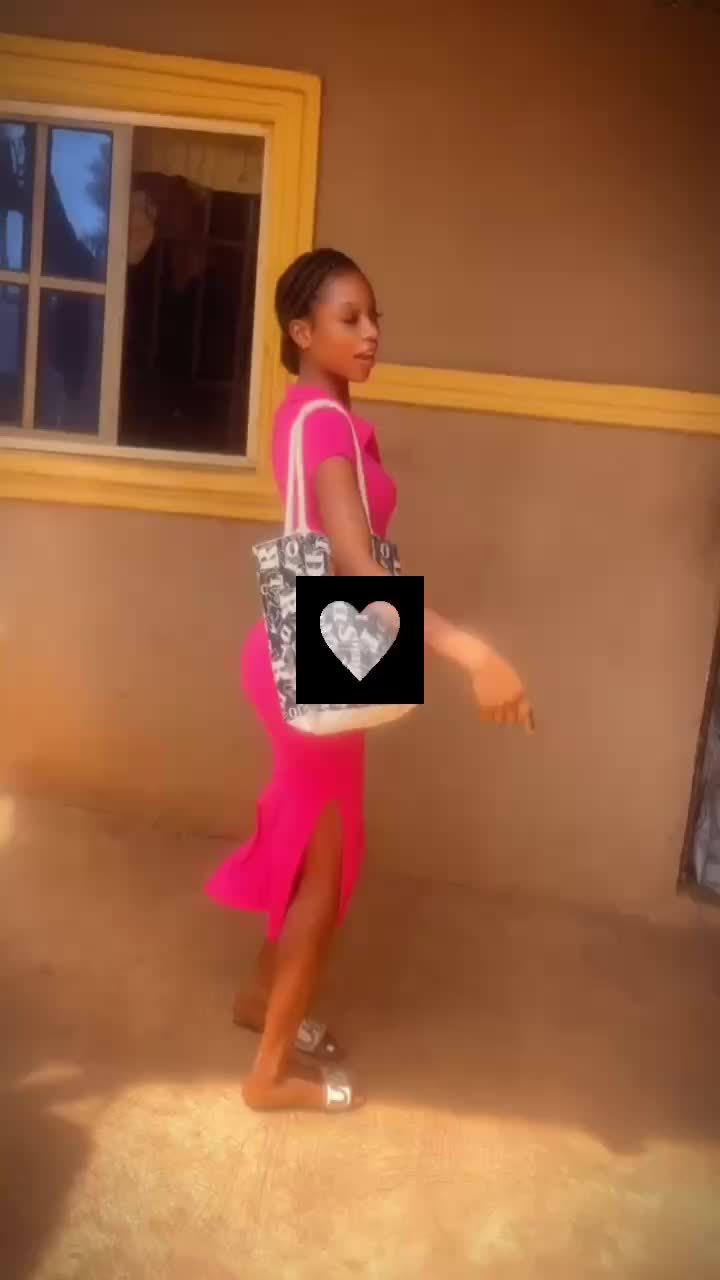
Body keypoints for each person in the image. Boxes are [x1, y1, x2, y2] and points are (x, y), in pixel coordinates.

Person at [205, 248, 534, 1112]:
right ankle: (269, 1076)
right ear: (301, 331)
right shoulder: (322, 422)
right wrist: (473, 653)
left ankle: (259, 1002)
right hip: (319, 657)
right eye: (348, 318)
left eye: (375, 316)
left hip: (321, 653)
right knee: (329, 870)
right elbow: (356, 565)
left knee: (317, 846)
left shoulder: (319, 417)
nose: (371, 333)